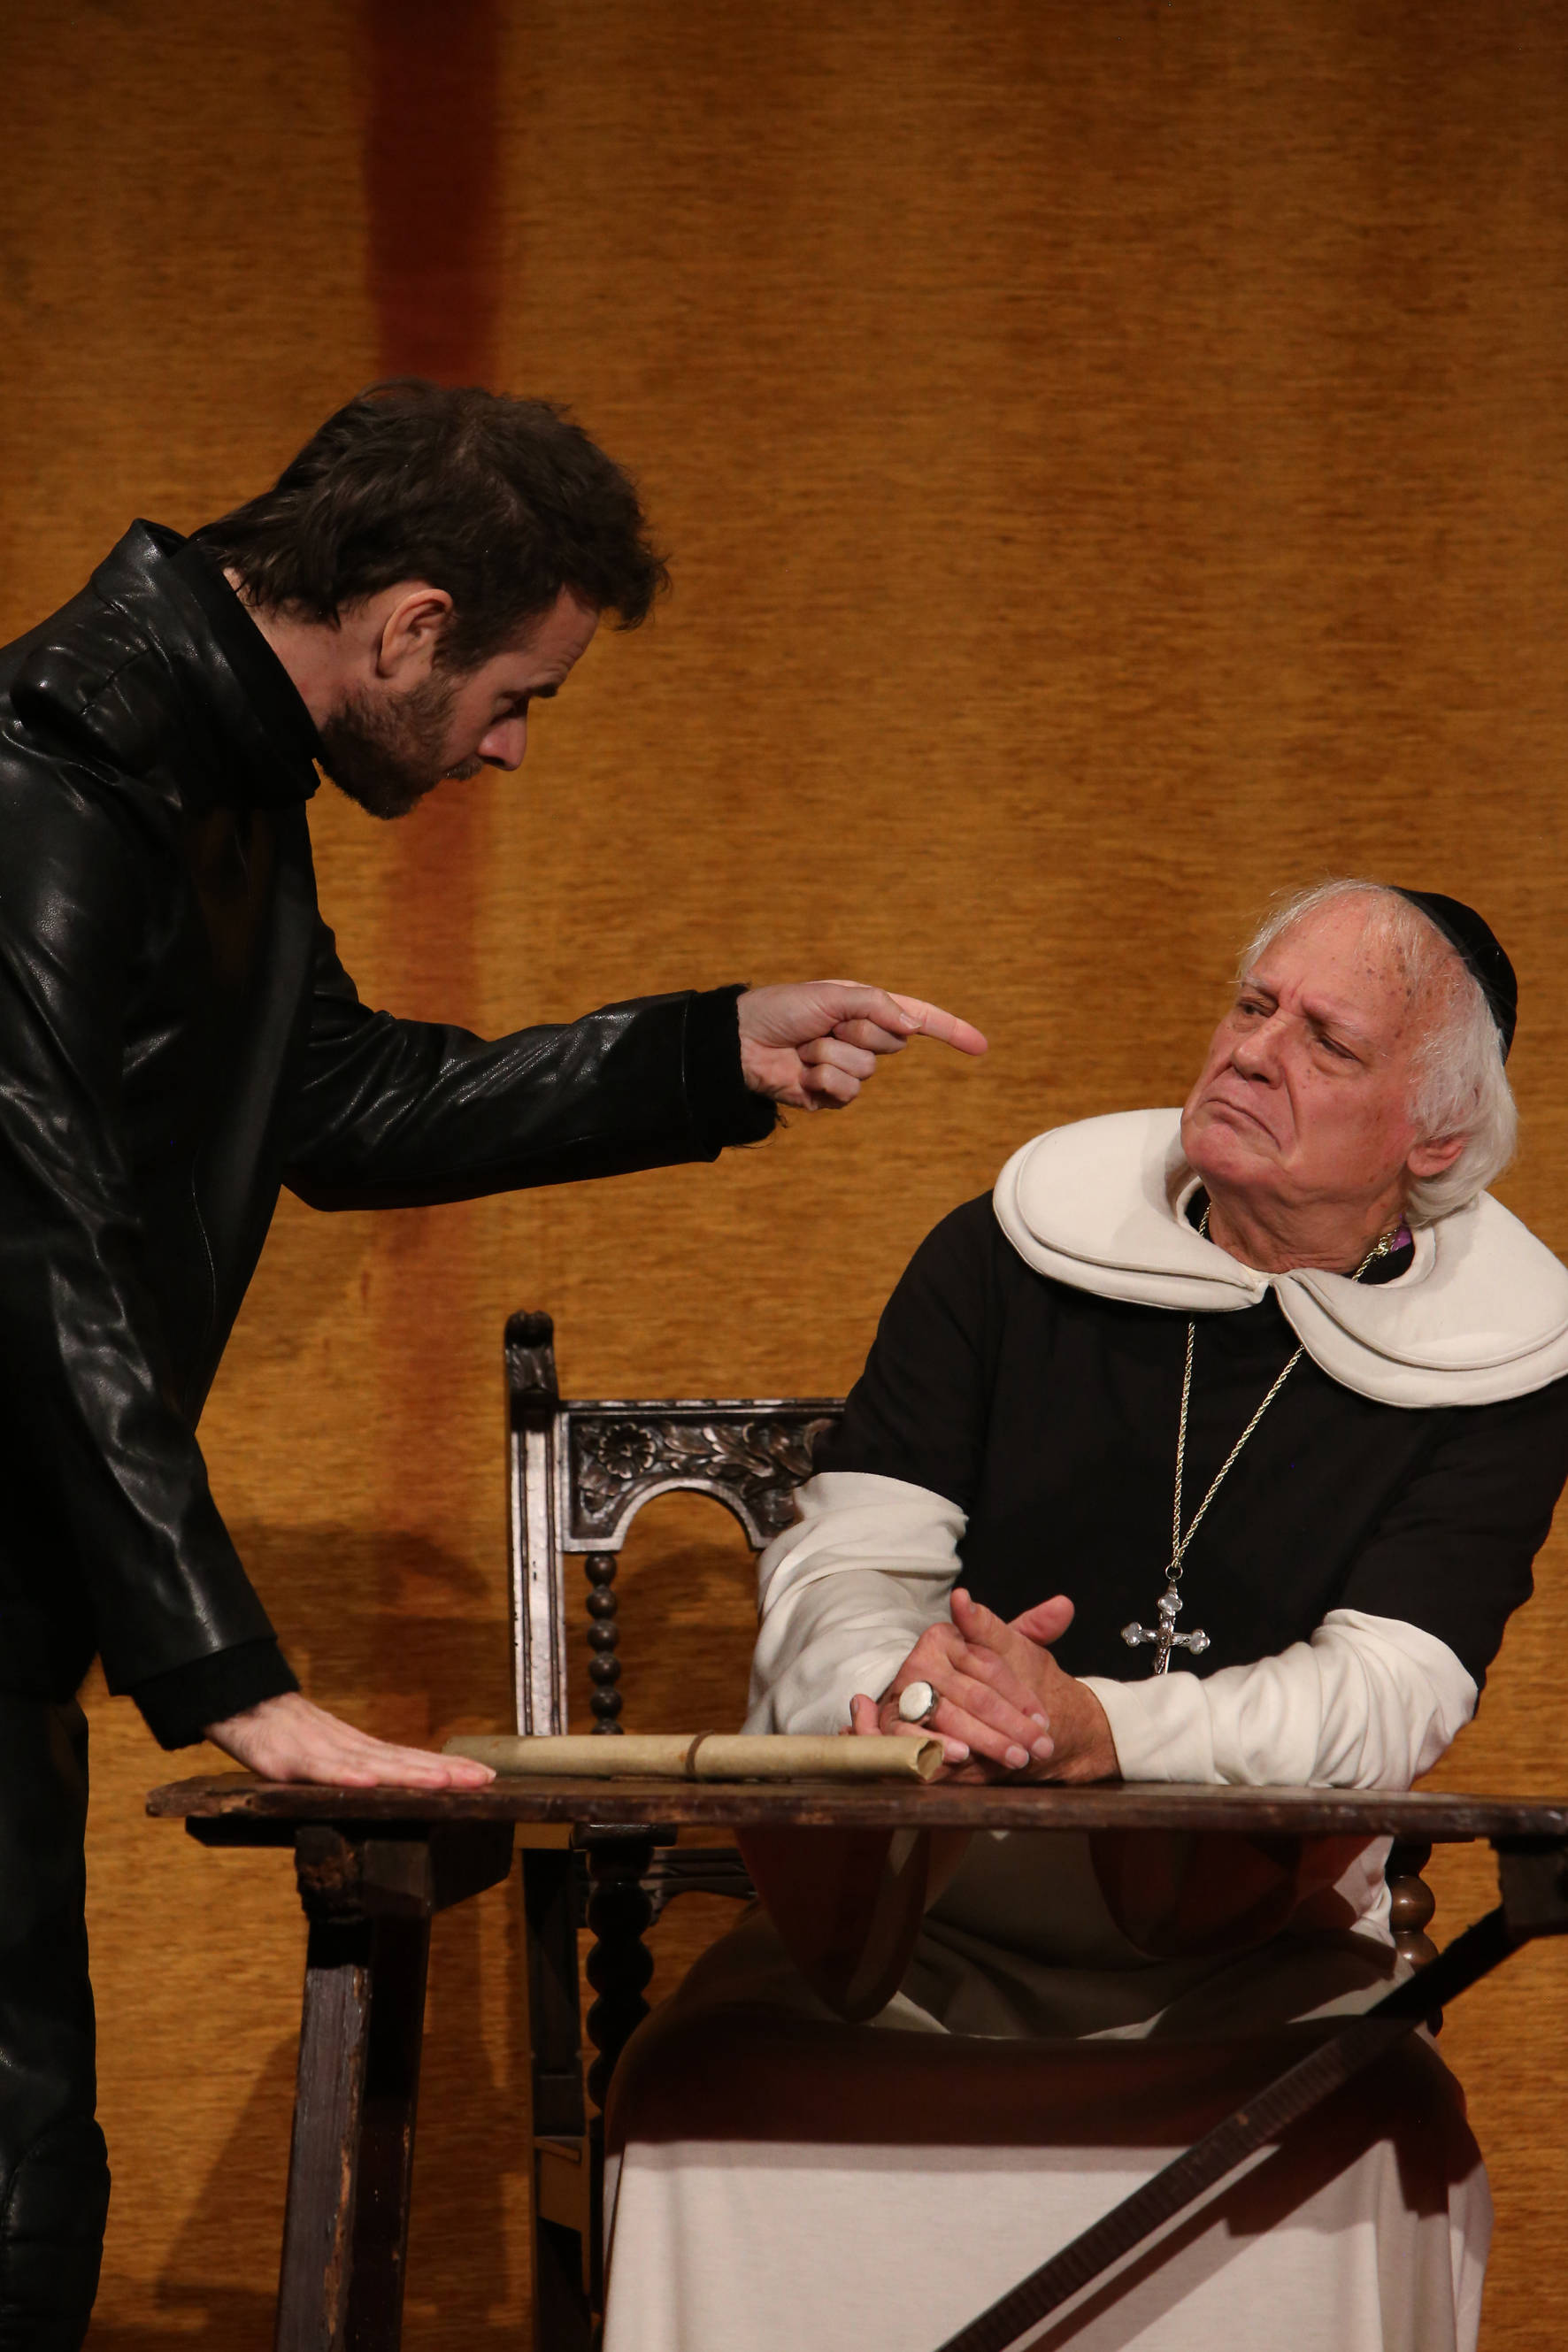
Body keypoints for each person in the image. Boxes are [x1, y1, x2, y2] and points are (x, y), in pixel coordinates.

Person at [0, 380, 986, 2349]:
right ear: (411, 626)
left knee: (27, 2191)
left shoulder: (206, 766)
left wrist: (707, 1049)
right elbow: (30, 1237)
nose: (513, 747)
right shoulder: (60, 768)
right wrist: (234, 1681)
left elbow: (340, 1102)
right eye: (517, 696)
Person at [603, 880, 1568, 2352]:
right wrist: (909, 1692)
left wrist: (1096, 1725)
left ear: (1432, 1140)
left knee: (1379, 2128)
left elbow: (1387, 1696)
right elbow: (845, 1562)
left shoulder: (1498, 1365)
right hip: (913, 1937)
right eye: (1253, 1005)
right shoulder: (1007, 1250)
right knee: (695, 2089)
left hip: (1261, 1963)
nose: (1253, 1050)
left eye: (1327, 1041)